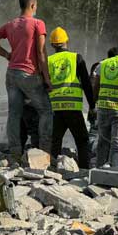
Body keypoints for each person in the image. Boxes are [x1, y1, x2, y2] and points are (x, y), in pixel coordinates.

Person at [0, 0, 53, 160]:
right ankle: (45, 152)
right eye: (36, 6)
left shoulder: (11, 25)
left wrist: (7, 54)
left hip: (12, 74)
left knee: (14, 113)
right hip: (29, 75)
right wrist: (47, 78)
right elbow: (41, 53)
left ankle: (15, 153)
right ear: (32, 5)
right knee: (45, 111)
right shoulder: (38, 24)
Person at [47, 27, 96, 168]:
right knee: (82, 140)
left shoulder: (48, 61)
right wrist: (92, 106)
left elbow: (44, 85)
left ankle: (51, 169)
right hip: (72, 108)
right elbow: (86, 84)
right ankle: (84, 170)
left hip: (56, 109)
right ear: (67, 41)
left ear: (52, 45)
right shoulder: (76, 58)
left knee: (55, 141)